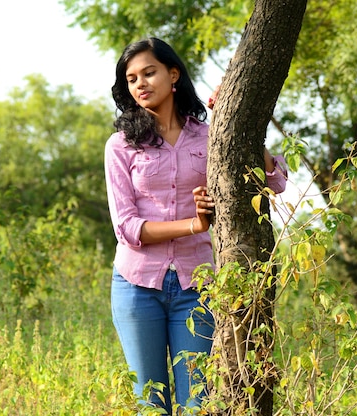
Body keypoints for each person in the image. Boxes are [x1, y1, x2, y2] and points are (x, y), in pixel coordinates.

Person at [104, 37, 288, 414]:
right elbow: (126, 228)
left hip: (197, 287)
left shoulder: (210, 136)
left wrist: (238, 119)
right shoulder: (121, 145)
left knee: (197, 403)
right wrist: (194, 223)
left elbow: (274, 182)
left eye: (149, 72)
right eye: (132, 78)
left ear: (173, 74)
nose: (140, 83)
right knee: (150, 402)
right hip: (137, 286)